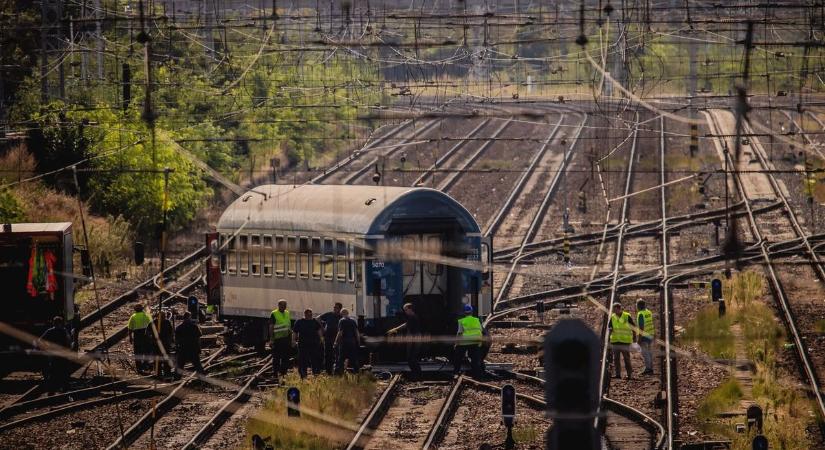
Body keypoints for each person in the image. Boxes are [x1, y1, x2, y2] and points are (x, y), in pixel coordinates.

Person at [37, 316, 71, 393]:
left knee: (53, 372)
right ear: (61, 323)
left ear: (54, 323)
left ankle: (51, 390)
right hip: (63, 354)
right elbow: (68, 341)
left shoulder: (50, 331)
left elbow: (40, 341)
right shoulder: (64, 331)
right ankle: (64, 388)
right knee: (64, 371)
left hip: (53, 355)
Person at [388, 303, 423, 379]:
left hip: (415, 340)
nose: (405, 312)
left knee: (411, 358)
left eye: (406, 310)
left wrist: (395, 329)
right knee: (411, 358)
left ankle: (417, 374)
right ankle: (416, 374)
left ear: (410, 309)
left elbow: (406, 325)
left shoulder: (413, 317)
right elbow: (406, 325)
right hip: (414, 339)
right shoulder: (412, 317)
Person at [453, 304, 483, 379]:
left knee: (458, 357)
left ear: (464, 313)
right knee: (475, 359)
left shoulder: (461, 321)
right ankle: (476, 374)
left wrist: (456, 343)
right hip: (475, 341)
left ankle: (456, 372)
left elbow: (459, 333)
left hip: (464, 342)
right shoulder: (476, 320)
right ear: (472, 312)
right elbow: (481, 330)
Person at [293, 309, 324, 379]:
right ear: (305, 314)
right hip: (303, 344)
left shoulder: (314, 322)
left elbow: (319, 331)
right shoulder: (299, 322)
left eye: (311, 314)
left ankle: (315, 373)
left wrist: (321, 340)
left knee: (314, 359)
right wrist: (293, 341)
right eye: (309, 314)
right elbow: (295, 332)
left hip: (314, 344)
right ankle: (303, 375)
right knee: (303, 360)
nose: (310, 316)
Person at [609, 302, 636, 379]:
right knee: (616, 359)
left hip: (625, 342)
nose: (614, 311)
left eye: (615, 309)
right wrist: (608, 338)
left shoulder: (627, 316)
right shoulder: (613, 317)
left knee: (627, 359)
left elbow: (633, 327)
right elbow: (610, 328)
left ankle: (630, 375)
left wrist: (634, 338)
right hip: (615, 341)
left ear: (619, 308)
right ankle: (618, 374)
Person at [174, 311, 205, 377]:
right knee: (197, 364)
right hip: (193, 348)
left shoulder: (179, 328)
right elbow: (198, 338)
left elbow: (176, 340)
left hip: (183, 349)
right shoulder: (194, 327)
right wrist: (199, 348)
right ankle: (203, 378)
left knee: (180, 365)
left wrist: (177, 348)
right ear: (189, 317)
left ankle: (177, 377)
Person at [147, 309, 175, 378]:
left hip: (159, 344)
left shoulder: (154, 322)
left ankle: (161, 373)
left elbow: (147, 332)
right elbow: (171, 333)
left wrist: (151, 338)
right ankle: (165, 373)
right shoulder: (166, 322)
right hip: (162, 344)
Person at [127, 304, 152, 374]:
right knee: (146, 351)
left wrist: (130, 337)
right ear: (142, 309)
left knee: (138, 352)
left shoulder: (133, 317)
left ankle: (139, 368)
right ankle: (145, 365)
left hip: (137, 336)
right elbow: (151, 325)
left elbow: (130, 328)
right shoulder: (146, 315)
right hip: (145, 335)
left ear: (135, 310)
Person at [270, 299, 292, 379]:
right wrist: (272, 339)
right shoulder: (274, 313)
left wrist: (291, 337)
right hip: (277, 339)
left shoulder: (287, 313)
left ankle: (283, 372)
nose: (284, 307)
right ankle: (275, 373)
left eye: (285, 305)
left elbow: (288, 325)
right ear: (279, 305)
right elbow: (271, 326)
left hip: (286, 338)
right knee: (276, 357)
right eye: (282, 305)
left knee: (285, 357)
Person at [334, 308, 361, 374]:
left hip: (344, 343)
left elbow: (340, 332)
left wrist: (335, 342)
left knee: (341, 360)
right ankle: (357, 374)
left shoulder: (342, 321)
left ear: (341, 314)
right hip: (352, 343)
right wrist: (358, 342)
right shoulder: (353, 321)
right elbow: (357, 333)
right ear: (348, 313)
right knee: (354, 359)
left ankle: (341, 374)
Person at [319, 302, 343, 375]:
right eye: (334, 307)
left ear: (339, 309)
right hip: (328, 337)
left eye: (336, 308)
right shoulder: (329, 314)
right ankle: (328, 371)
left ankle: (337, 371)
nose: (334, 309)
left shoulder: (341, 317)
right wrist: (322, 328)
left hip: (336, 338)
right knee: (327, 354)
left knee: (337, 354)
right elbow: (317, 318)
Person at [636, 299, 655, 376]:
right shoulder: (648, 312)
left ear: (639, 306)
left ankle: (648, 369)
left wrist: (639, 339)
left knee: (645, 353)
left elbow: (641, 327)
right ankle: (650, 367)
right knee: (649, 352)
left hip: (644, 336)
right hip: (650, 334)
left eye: (636, 305)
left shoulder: (641, 314)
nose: (636, 306)